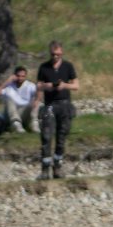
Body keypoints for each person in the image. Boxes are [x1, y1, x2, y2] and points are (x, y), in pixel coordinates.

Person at [33, 41, 79, 179]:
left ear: (62, 53)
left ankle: (57, 166)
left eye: (58, 54)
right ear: (50, 53)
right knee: (46, 136)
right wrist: (47, 86)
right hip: (50, 105)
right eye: (53, 54)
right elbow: (38, 85)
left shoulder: (68, 66)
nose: (56, 57)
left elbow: (76, 85)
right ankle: (45, 168)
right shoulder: (44, 67)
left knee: (62, 136)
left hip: (64, 104)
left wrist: (64, 85)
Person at [0, 66, 39, 134]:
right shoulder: (9, 87)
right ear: (14, 76)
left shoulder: (30, 86)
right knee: (9, 100)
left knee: (37, 102)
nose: (20, 78)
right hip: (11, 114)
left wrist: (36, 100)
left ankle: (34, 124)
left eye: (22, 76)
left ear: (25, 76)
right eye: (18, 76)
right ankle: (16, 125)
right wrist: (7, 82)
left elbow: (39, 94)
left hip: (24, 113)